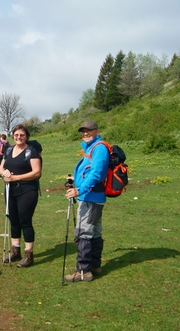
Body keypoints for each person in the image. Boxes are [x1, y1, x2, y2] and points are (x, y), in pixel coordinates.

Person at [65, 120, 109, 282]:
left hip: (90, 197)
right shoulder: (93, 147)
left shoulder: (99, 148)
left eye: (89, 130)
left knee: (84, 233)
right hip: (93, 196)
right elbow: (88, 171)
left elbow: (96, 174)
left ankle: (83, 271)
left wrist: (79, 190)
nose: (85, 133)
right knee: (94, 232)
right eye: (83, 131)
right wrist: (74, 179)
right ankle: (95, 266)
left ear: (97, 131)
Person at [0, 124, 41, 267]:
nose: (19, 137)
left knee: (25, 221)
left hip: (27, 190)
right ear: (13, 136)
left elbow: (37, 172)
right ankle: (15, 251)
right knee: (13, 220)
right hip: (10, 190)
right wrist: (3, 172)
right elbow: (1, 167)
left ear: (27, 136)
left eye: (22, 135)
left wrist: (16, 178)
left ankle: (29, 255)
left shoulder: (31, 151)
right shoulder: (9, 149)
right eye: (16, 135)